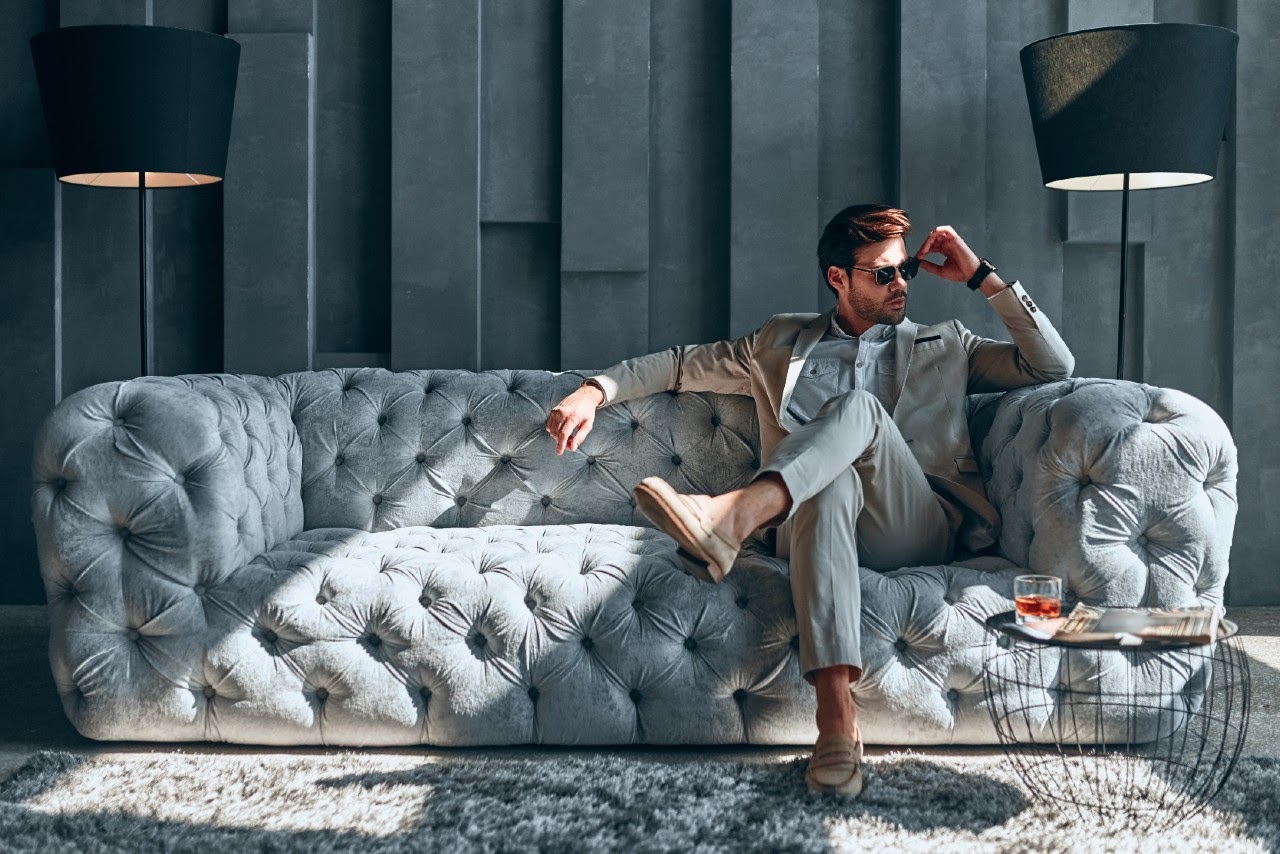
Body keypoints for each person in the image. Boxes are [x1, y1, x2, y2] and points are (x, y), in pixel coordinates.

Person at [544, 204, 1074, 797]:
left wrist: (981, 277)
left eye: (906, 272)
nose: (900, 284)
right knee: (829, 484)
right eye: (882, 274)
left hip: (914, 524)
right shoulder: (778, 343)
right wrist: (593, 392)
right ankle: (836, 724)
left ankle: (732, 515)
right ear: (838, 279)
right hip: (811, 526)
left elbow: (1052, 364)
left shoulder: (946, 344)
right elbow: (677, 366)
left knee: (857, 410)